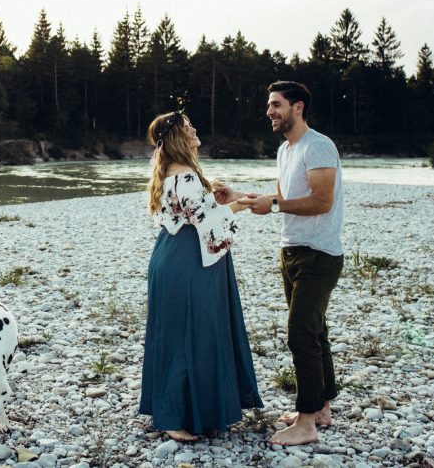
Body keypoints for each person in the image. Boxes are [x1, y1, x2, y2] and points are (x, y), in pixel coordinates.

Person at [139, 111, 263, 442]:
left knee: (183, 335)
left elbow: (194, 212)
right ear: (179, 136)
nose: (195, 130)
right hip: (190, 262)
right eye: (189, 127)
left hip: (175, 256)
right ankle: (174, 416)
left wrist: (219, 198)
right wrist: (241, 206)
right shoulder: (187, 176)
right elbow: (205, 224)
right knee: (193, 336)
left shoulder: (173, 172)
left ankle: (192, 412)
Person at [238, 81, 344, 446]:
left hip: (320, 252)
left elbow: (321, 201)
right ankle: (322, 408)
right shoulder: (285, 150)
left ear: (297, 107)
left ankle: (306, 424)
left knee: (300, 333)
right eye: (269, 105)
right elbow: (283, 198)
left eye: (276, 105)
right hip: (292, 250)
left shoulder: (319, 146)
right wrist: (243, 198)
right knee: (315, 332)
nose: (269, 111)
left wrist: (277, 205)